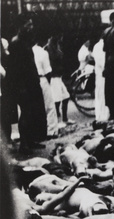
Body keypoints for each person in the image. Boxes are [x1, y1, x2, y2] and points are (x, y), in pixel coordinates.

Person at [5, 12, 47, 154]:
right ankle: (24, 145)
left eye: (31, 24)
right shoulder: (16, 43)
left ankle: (30, 140)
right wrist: (21, 87)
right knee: (26, 113)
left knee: (33, 112)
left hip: (31, 82)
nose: (31, 27)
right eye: (28, 24)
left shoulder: (25, 42)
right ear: (21, 26)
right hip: (23, 86)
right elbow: (15, 68)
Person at [32, 35, 59, 137]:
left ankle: (36, 132)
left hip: (32, 80)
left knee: (35, 107)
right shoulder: (43, 53)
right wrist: (48, 82)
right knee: (49, 106)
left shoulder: (30, 50)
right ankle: (51, 131)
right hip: (42, 78)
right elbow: (48, 71)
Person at [45, 34, 71, 124]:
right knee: (57, 100)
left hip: (58, 76)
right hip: (54, 76)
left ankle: (64, 118)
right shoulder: (49, 49)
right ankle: (57, 120)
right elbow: (54, 59)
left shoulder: (56, 47)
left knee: (66, 96)